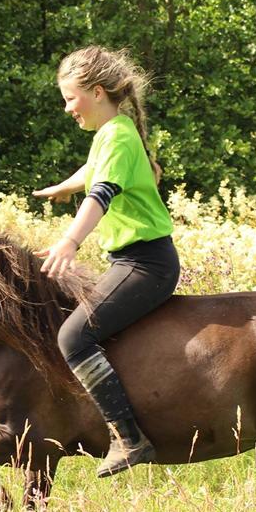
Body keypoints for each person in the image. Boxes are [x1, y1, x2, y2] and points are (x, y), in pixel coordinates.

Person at [33, 46, 181, 477]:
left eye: (70, 98)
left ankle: (129, 438)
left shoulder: (117, 135)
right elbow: (92, 173)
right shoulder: (111, 134)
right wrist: (64, 187)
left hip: (146, 264)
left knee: (73, 338)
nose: (67, 109)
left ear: (97, 92)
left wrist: (69, 241)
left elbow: (103, 192)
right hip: (132, 261)